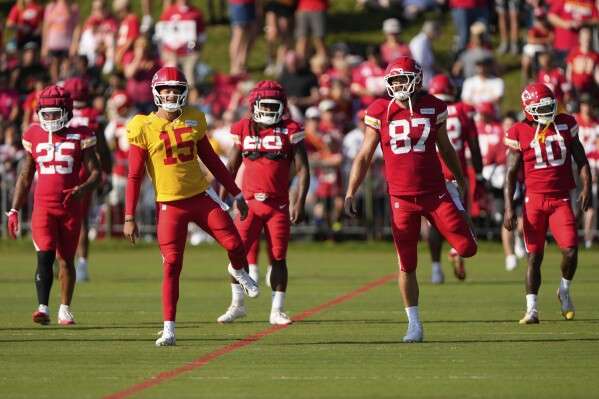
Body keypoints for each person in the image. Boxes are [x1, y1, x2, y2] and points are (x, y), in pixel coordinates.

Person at [344, 57, 477, 342]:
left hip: (435, 193)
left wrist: (459, 176)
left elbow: (446, 147)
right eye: (394, 81)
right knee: (407, 263)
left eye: (403, 79)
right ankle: (414, 324)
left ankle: (459, 232)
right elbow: (365, 154)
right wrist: (350, 191)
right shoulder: (380, 110)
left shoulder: (433, 106)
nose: (399, 85)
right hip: (400, 198)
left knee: (467, 249)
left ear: (416, 80)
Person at [123, 66, 258, 346]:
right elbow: (134, 175)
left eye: (176, 88)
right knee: (172, 265)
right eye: (166, 89)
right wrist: (128, 216)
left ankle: (237, 270)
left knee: (235, 245)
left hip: (200, 197)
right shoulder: (142, 125)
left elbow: (213, 160)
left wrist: (236, 194)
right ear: (156, 92)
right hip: (169, 205)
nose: (171, 93)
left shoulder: (195, 118)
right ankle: (169, 328)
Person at [6, 85, 100, 325]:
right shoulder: (33, 135)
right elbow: (25, 176)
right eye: (45, 113)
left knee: (66, 260)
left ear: (67, 112)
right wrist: (14, 209)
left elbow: (96, 173)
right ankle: (43, 307)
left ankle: (65, 308)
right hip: (44, 207)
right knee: (44, 256)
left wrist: (83, 189)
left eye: (54, 113)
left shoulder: (81, 134)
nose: (49, 118)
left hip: (70, 205)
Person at [218, 80, 310, 325]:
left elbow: (303, 169)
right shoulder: (243, 128)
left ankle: (277, 310)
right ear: (254, 105)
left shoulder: (290, 128)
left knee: (279, 257)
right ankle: (237, 304)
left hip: (278, 205)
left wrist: (299, 202)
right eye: (265, 106)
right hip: (248, 204)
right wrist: (221, 199)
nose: (270, 111)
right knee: (235, 254)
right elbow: (230, 167)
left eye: (274, 106)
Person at [504, 83, 591, 324]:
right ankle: (531, 308)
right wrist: (509, 207)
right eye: (541, 107)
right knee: (534, 256)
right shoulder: (519, 131)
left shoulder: (565, 123)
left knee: (571, 251)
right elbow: (510, 173)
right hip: (535, 201)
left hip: (561, 198)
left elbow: (581, 159)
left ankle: (564, 289)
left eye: (549, 105)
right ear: (529, 109)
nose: (548, 110)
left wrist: (587, 187)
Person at [427, 74, 483, 284]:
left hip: (430, 174)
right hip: (454, 174)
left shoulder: (426, 110)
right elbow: (474, 145)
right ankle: (455, 248)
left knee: (434, 223)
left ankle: (435, 269)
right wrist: (478, 173)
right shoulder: (463, 111)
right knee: (460, 216)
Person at [63, 76, 112, 282]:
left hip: (63, 168)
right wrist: (105, 171)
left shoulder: (62, 113)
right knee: (81, 220)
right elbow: (101, 147)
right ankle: (81, 264)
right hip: (85, 169)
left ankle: (61, 258)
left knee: (59, 217)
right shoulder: (93, 115)